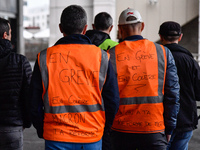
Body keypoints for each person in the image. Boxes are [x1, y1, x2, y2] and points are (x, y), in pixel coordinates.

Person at [30, 5, 120, 150]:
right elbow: (113, 100)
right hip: (91, 136)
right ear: (85, 29)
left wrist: (43, 129)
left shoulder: (44, 57)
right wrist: (103, 128)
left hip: (56, 137)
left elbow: (34, 103)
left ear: (60, 28)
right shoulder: (102, 57)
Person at [108, 8, 180, 150]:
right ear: (142, 26)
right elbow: (173, 94)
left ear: (120, 29)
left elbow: (107, 97)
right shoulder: (163, 52)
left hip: (120, 130)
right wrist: (170, 127)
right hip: (154, 128)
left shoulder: (110, 55)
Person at [158, 21, 200, 150]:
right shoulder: (190, 61)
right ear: (180, 37)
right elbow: (199, 92)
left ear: (160, 36)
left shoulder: (156, 59)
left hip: (160, 120)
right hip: (185, 120)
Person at [0, 18, 32, 150]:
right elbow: (29, 95)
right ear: (5, 35)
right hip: (12, 127)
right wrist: (27, 121)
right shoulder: (20, 61)